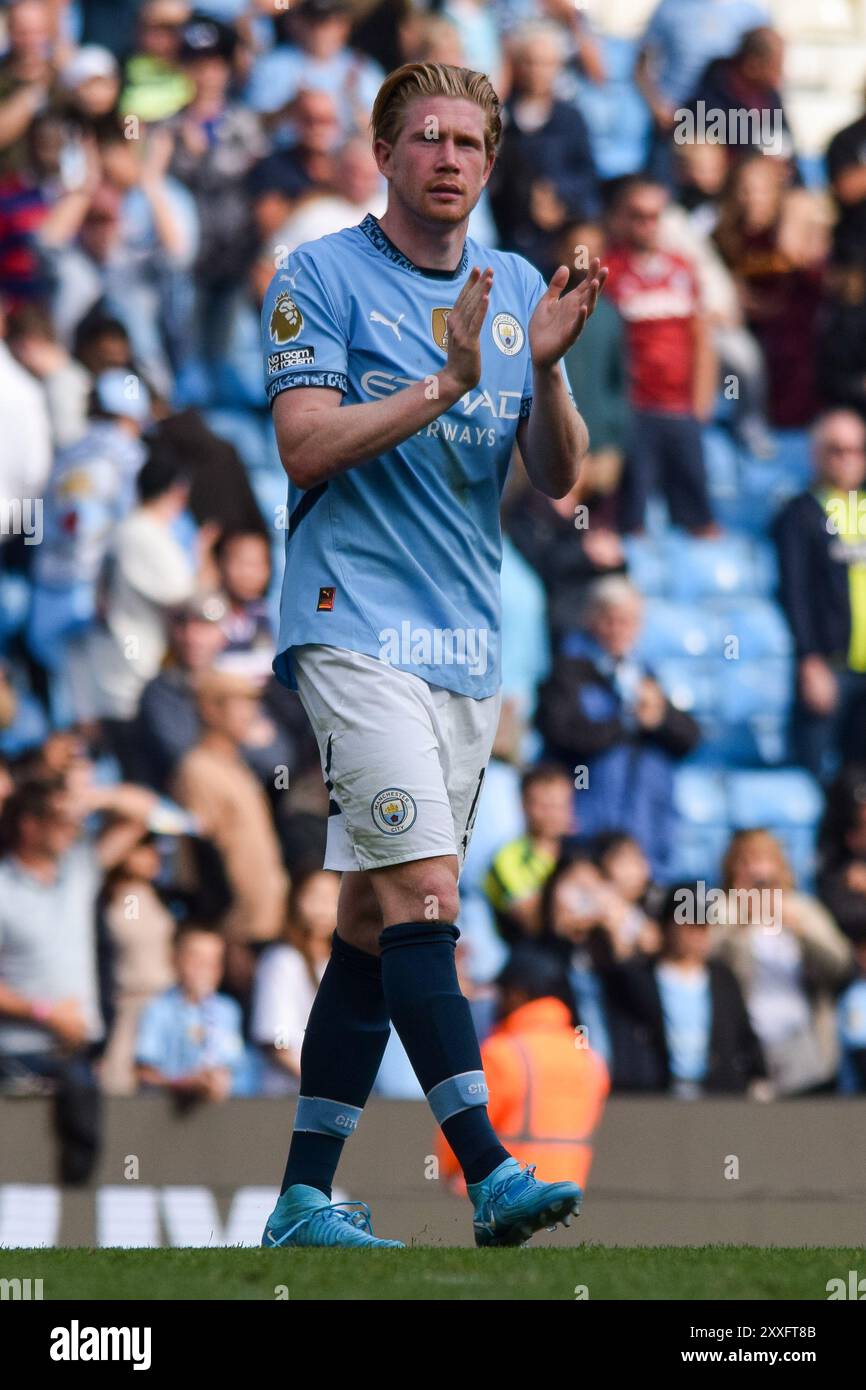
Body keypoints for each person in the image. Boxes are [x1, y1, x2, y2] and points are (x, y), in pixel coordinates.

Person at [259, 59, 607, 1252]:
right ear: (383, 152)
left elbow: (557, 478)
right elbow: (304, 447)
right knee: (426, 895)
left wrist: (544, 367)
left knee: (371, 921)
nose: (448, 158)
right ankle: (489, 1171)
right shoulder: (317, 276)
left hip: (464, 644)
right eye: (425, 137)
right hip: (350, 622)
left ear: (490, 163)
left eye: (468, 141)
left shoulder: (513, 284)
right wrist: (445, 380)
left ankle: (303, 1196)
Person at [0, 772, 158, 1181]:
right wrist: (46, 1013)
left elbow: (144, 812)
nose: (73, 827)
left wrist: (89, 798)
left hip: (77, 1058)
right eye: (60, 819)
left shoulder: (79, 870)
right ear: (28, 825)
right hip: (17, 1053)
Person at [536, 575, 701, 879]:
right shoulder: (568, 672)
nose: (618, 630)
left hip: (645, 833)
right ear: (592, 620)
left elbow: (689, 737)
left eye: (627, 621)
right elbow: (567, 734)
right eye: (610, 620)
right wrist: (627, 719)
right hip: (588, 828)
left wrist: (661, 717)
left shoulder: (649, 674)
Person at [436, 945, 609, 1191]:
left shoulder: (501, 1053)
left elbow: (460, 1131)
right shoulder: (589, 1058)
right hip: (564, 1204)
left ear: (517, 995)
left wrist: (450, 1173)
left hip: (498, 1204)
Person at [603, 177, 718, 535]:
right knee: (632, 517)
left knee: (699, 519)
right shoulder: (608, 271)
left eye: (654, 216)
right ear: (621, 217)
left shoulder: (684, 269)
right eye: (637, 215)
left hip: (681, 409)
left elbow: (702, 339)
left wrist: (702, 403)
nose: (646, 224)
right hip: (634, 409)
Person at [710, 829, 854, 1096]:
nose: (755, 869)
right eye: (745, 860)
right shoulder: (722, 908)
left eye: (762, 858)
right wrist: (742, 915)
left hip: (800, 1042)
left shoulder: (801, 908)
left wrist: (799, 929)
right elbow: (703, 955)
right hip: (747, 1046)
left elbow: (840, 963)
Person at [772, 410, 866, 781]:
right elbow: (793, 591)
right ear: (816, 454)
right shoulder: (800, 513)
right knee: (815, 781)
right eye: (836, 450)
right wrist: (809, 659)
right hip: (829, 667)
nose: (847, 459)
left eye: (856, 450)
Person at [615, 882, 766, 1095]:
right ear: (667, 926)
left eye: (703, 925)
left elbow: (743, 1035)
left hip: (718, 1093)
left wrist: (758, 1076)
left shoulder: (722, 978)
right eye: (688, 923)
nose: (697, 933)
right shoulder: (639, 978)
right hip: (657, 1095)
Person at [250, 869, 339, 1095]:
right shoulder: (282, 961)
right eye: (315, 896)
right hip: (288, 1095)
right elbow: (277, 1038)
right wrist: (315, 1083)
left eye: (332, 898)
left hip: (336, 1097)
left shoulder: (342, 965)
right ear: (296, 900)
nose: (323, 907)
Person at [136, 925, 246, 1101]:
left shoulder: (228, 1011)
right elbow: (145, 1073)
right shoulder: (158, 1009)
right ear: (175, 960)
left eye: (212, 962)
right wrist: (185, 1084)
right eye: (195, 960)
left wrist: (219, 1079)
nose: (204, 969)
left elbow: (233, 1064)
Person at [483, 763, 576, 942]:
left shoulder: (579, 852)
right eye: (544, 806)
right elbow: (532, 920)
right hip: (530, 955)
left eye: (560, 805)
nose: (553, 814)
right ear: (524, 805)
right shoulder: (507, 858)